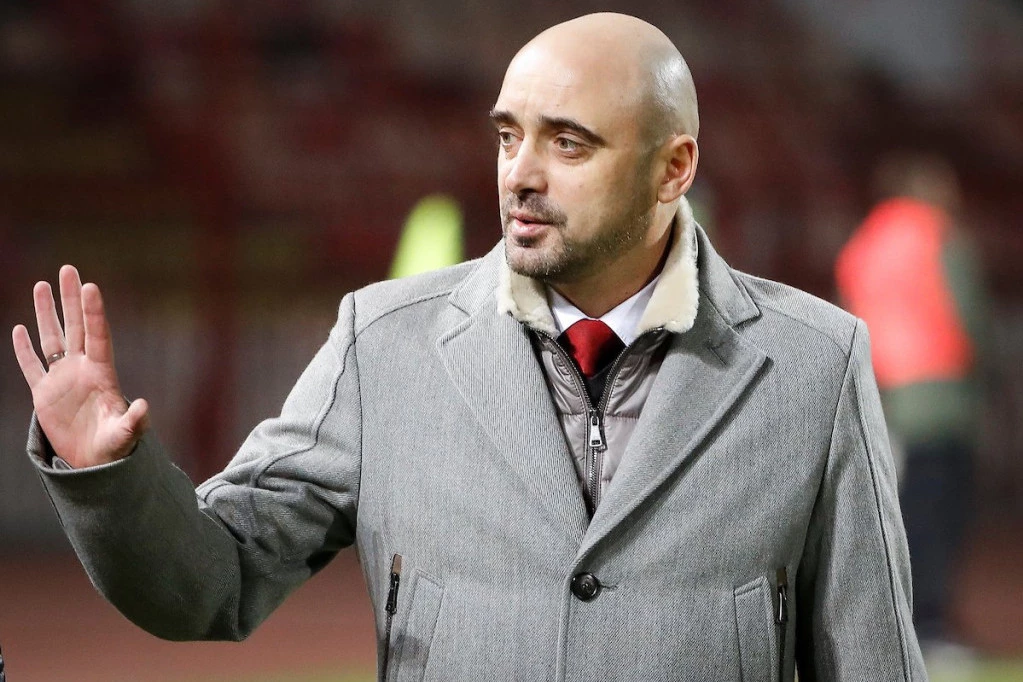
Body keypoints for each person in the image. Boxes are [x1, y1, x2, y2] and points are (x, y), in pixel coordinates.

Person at [13, 13, 925, 680]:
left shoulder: (815, 364)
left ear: (672, 168)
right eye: (507, 136)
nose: (519, 173)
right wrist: (110, 475)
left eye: (568, 144)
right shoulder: (381, 345)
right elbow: (212, 581)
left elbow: (873, 661)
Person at [836, 153, 987, 659]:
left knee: (897, 516)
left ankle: (896, 626)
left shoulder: (864, 242)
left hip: (885, 397)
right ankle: (934, 627)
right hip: (940, 396)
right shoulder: (938, 235)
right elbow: (968, 313)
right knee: (939, 515)